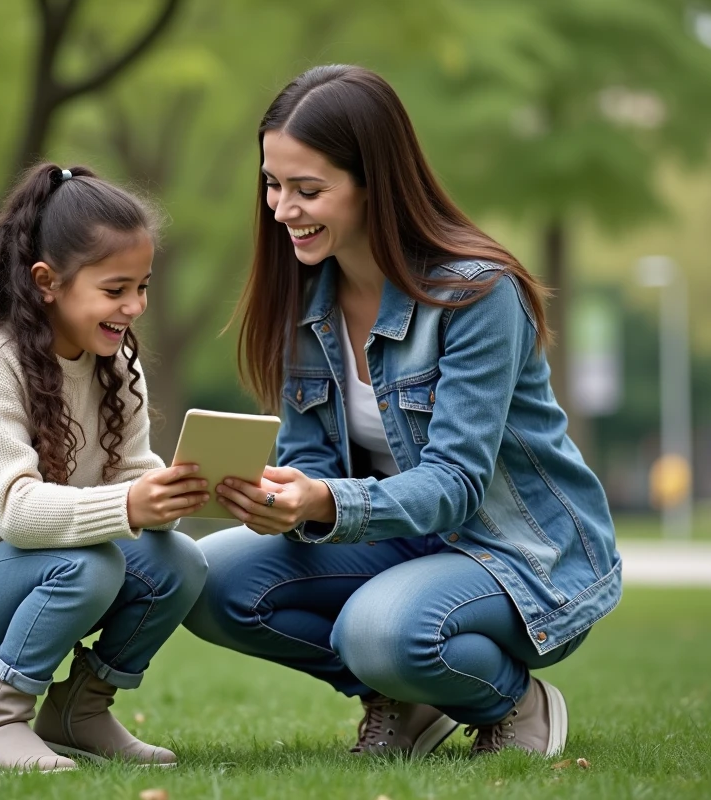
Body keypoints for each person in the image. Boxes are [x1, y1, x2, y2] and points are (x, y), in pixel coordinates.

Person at [184, 65, 621, 759]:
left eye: (308, 190)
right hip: (399, 544)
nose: (281, 209)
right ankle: (409, 696)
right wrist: (285, 498)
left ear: (374, 184)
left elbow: (455, 483)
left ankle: (514, 701)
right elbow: (312, 460)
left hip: (515, 556)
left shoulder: (478, 295)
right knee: (205, 580)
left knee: (377, 631)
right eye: (272, 183)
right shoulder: (306, 296)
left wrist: (325, 500)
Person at [0, 163, 209, 773]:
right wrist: (133, 506)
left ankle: (78, 714)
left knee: (179, 563)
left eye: (143, 285)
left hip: (50, 566)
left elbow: (131, 473)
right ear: (47, 281)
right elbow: (18, 514)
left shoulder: (116, 362)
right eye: (115, 289)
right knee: (90, 561)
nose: (135, 306)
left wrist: (183, 493)